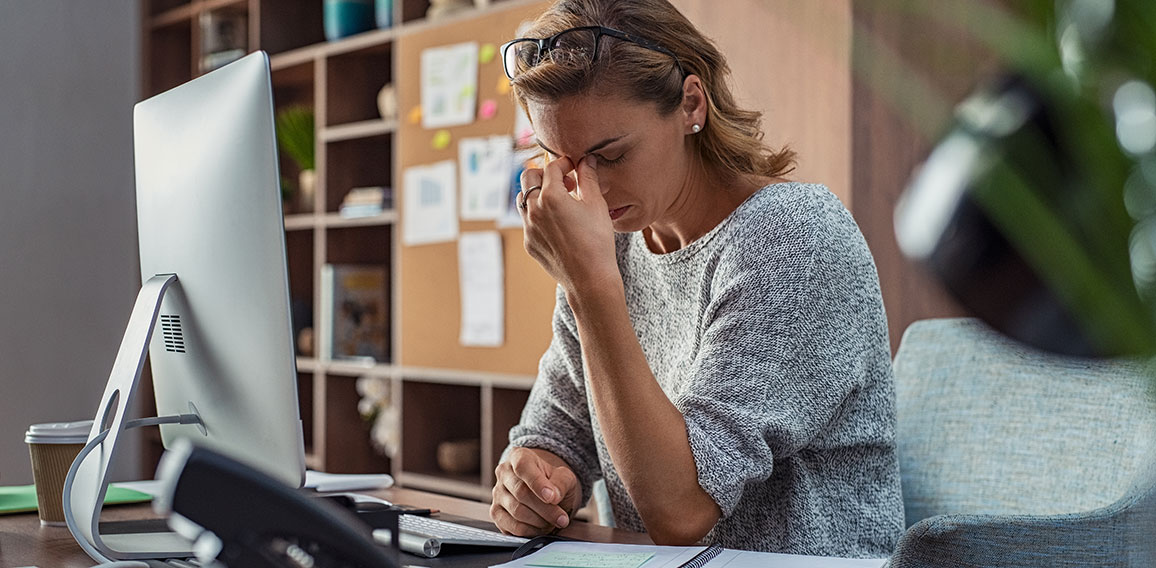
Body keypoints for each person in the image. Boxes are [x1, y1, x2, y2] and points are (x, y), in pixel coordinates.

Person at [491, 0, 904, 557]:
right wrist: (534, 481)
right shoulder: (612, 247)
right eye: (560, 158)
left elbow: (681, 510)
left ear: (691, 104)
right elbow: (558, 433)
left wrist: (590, 287)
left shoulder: (793, 239)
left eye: (609, 155)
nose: (583, 190)